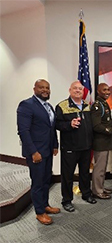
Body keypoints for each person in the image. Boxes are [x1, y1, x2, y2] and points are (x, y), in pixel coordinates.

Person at [17, 79, 59, 225]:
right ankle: (39, 212)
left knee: (46, 179)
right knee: (38, 182)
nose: (45, 90)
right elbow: (23, 131)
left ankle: (45, 205)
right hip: (36, 153)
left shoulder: (49, 107)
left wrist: (55, 145)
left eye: (47, 88)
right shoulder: (26, 105)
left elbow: (51, 129)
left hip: (47, 151)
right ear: (34, 88)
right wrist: (33, 152)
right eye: (41, 87)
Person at [55, 81, 96, 213]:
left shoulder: (87, 106)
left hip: (85, 147)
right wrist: (69, 124)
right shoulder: (62, 106)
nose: (78, 91)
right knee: (67, 176)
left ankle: (86, 194)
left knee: (84, 173)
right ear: (70, 90)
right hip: (70, 148)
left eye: (80, 89)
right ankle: (66, 200)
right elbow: (56, 125)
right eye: (75, 89)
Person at [91, 83, 112, 199]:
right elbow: (96, 126)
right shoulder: (97, 106)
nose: (107, 92)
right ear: (98, 91)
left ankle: (101, 187)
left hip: (105, 141)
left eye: (108, 90)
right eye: (104, 90)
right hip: (100, 142)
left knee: (103, 168)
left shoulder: (103, 103)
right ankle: (97, 191)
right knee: (99, 168)